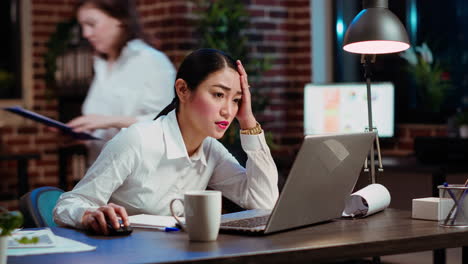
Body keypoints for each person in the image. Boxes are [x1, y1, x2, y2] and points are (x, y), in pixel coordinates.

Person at [53, 49, 279, 235]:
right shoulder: (137, 140)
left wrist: (248, 121)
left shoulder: (211, 151)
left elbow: (264, 202)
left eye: (237, 100)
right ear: (183, 90)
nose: (228, 111)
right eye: (219, 95)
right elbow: (68, 204)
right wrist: (88, 215)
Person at [66, 0, 176, 164]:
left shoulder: (150, 60)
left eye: (91, 24)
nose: (85, 34)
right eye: (82, 26)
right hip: (100, 174)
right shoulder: (101, 65)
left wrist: (109, 121)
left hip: (139, 179)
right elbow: (102, 134)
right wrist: (80, 135)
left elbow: (168, 125)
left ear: (120, 19)